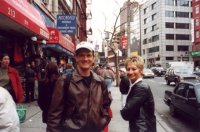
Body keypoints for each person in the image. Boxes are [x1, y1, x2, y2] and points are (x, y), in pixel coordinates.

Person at [47, 41, 112, 132]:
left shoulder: (100, 82)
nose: (85, 59)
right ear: (76, 58)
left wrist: (103, 121)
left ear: (93, 58)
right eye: (81, 55)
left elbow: (106, 106)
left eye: (89, 55)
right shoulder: (64, 81)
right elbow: (54, 115)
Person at [120, 55, 156, 132]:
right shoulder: (134, 85)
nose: (130, 72)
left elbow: (125, 114)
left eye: (134, 69)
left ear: (141, 70)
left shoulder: (141, 87)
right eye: (128, 69)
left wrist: (124, 109)